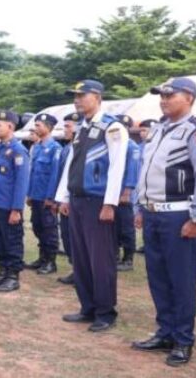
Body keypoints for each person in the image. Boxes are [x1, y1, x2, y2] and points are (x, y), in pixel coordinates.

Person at [132, 77, 196, 367]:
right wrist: (139, 205)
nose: (163, 99)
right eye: (161, 95)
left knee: (181, 280)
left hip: (179, 216)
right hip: (152, 213)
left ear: (190, 98)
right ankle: (165, 332)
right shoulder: (158, 129)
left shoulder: (194, 132)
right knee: (158, 278)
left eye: (170, 95)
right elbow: (145, 170)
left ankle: (183, 340)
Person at [56, 80, 128, 333]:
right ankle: (87, 307)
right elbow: (72, 165)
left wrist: (110, 203)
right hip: (77, 201)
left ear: (96, 96)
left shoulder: (112, 127)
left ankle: (105, 311)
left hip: (98, 201)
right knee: (81, 258)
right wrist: (64, 196)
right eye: (74, 96)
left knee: (101, 260)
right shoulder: (82, 127)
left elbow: (118, 166)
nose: (77, 100)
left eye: (81, 95)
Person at [0, 111, 30, 292]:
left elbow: (21, 182)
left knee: (12, 241)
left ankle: (13, 276)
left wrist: (17, 209)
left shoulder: (18, 150)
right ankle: (3, 272)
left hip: (9, 206)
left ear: (10, 126)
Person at [25, 114, 62, 275]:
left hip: (47, 197)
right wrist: (30, 193)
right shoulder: (37, 147)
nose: (36, 128)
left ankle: (50, 261)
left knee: (49, 229)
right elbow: (32, 173)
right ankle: (42, 258)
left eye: (39, 125)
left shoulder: (55, 149)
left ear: (48, 127)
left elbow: (55, 175)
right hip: (36, 195)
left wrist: (51, 198)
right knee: (37, 227)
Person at [56, 112, 81, 285]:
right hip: (65, 199)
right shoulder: (67, 148)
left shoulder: (83, 147)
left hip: (77, 200)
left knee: (78, 238)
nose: (65, 129)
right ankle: (75, 269)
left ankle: (82, 273)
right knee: (66, 236)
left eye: (68, 126)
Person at [115, 115, 140, 272]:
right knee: (113, 227)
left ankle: (128, 259)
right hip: (111, 194)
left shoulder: (131, 146)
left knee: (126, 227)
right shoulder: (114, 145)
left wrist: (126, 192)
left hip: (124, 194)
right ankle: (115, 255)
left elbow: (132, 171)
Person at [135, 118, 157, 254]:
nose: (142, 133)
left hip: (153, 188)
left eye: (145, 130)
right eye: (140, 131)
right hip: (140, 185)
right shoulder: (140, 147)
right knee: (142, 214)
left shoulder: (156, 146)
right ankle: (146, 244)